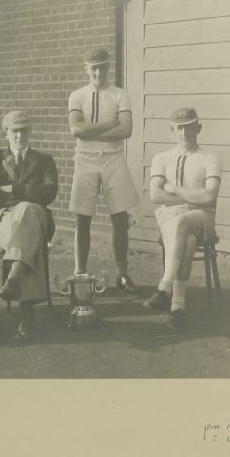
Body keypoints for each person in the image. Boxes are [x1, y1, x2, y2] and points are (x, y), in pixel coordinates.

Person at [0, 109, 60, 337]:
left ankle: (15, 273)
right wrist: (28, 194)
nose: (19, 136)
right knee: (28, 228)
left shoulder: (44, 160)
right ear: (6, 133)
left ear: (30, 131)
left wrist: (12, 189)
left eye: (24, 130)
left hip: (36, 217)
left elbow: (50, 192)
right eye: (15, 131)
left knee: (27, 214)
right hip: (1, 220)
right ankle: (27, 313)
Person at [142, 107, 222, 330]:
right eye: (179, 128)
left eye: (189, 127)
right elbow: (156, 195)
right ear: (172, 129)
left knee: (182, 222)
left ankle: (164, 287)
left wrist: (174, 188)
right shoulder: (161, 158)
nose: (184, 133)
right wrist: (192, 197)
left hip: (202, 218)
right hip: (169, 216)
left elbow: (209, 196)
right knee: (186, 241)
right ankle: (178, 307)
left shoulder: (210, 158)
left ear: (199, 128)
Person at [67, 47, 138, 291]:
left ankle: (122, 273)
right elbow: (75, 130)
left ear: (109, 67)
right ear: (86, 69)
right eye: (93, 67)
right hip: (85, 158)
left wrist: (92, 130)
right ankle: (80, 272)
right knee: (82, 219)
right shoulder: (76, 95)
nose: (98, 72)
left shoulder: (120, 95)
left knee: (119, 218)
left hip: (113, 158)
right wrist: (108, 124)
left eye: (102, 66)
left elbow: (126, 130)